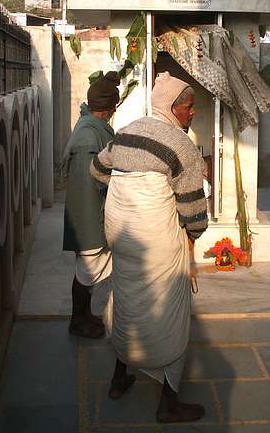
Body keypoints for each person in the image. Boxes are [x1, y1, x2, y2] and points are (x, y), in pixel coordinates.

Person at [90, 71, 208, 423]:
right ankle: (168, 403)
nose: (192, 113)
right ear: (172, 108)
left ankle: (118, 378)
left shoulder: (126, 131)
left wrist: (127, 188)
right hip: (157, 242)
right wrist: (192, 234)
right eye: (189, 106)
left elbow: (97, 170)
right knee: (170, 310)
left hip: (123, 237)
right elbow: (194, 215)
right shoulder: (181, 145)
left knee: (126, 298)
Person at [62, 71, 120, 338]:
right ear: (109, 108)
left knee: (88, 270)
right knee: (87, 270)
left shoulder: (89, 125)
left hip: (89, 214)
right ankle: (78, 322)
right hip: (87, 217)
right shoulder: (88, 137)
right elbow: (90, 186)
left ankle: (84, 316)